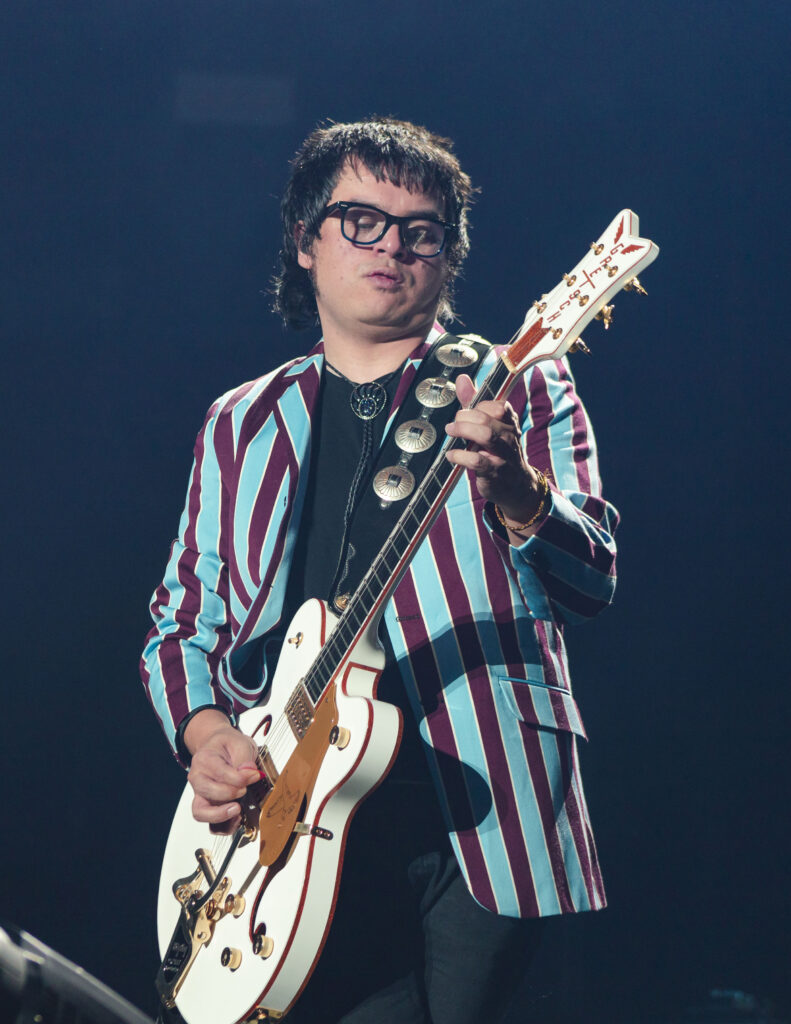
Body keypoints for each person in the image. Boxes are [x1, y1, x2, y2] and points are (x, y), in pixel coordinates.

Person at [141, 117, 619, 1024]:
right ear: (306, 241)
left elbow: (592, 574)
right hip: (285, 816)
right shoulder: (239, 422)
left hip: (479, 810)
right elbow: (181, 622)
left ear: (447, 258)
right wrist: (207, 739)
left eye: (422, 229)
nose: (393, 244)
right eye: (360, 219)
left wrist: (517, 490)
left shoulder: (519, 381)